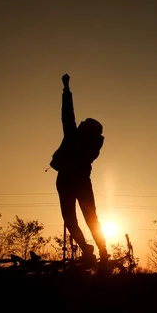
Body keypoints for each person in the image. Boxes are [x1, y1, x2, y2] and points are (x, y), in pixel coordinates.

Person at [50, 73, 108, 268]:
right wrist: (66, 89)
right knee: (85, 219)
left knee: (76, 220)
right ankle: (98, 252)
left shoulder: (76, 139)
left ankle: (94, 251)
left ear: (87, 130)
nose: (81, 122)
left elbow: (68, 113)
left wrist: (66, 89)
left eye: (84, 123)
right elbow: (68, 115)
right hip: (76, 182)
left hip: (69, 181)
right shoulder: (90, 146)